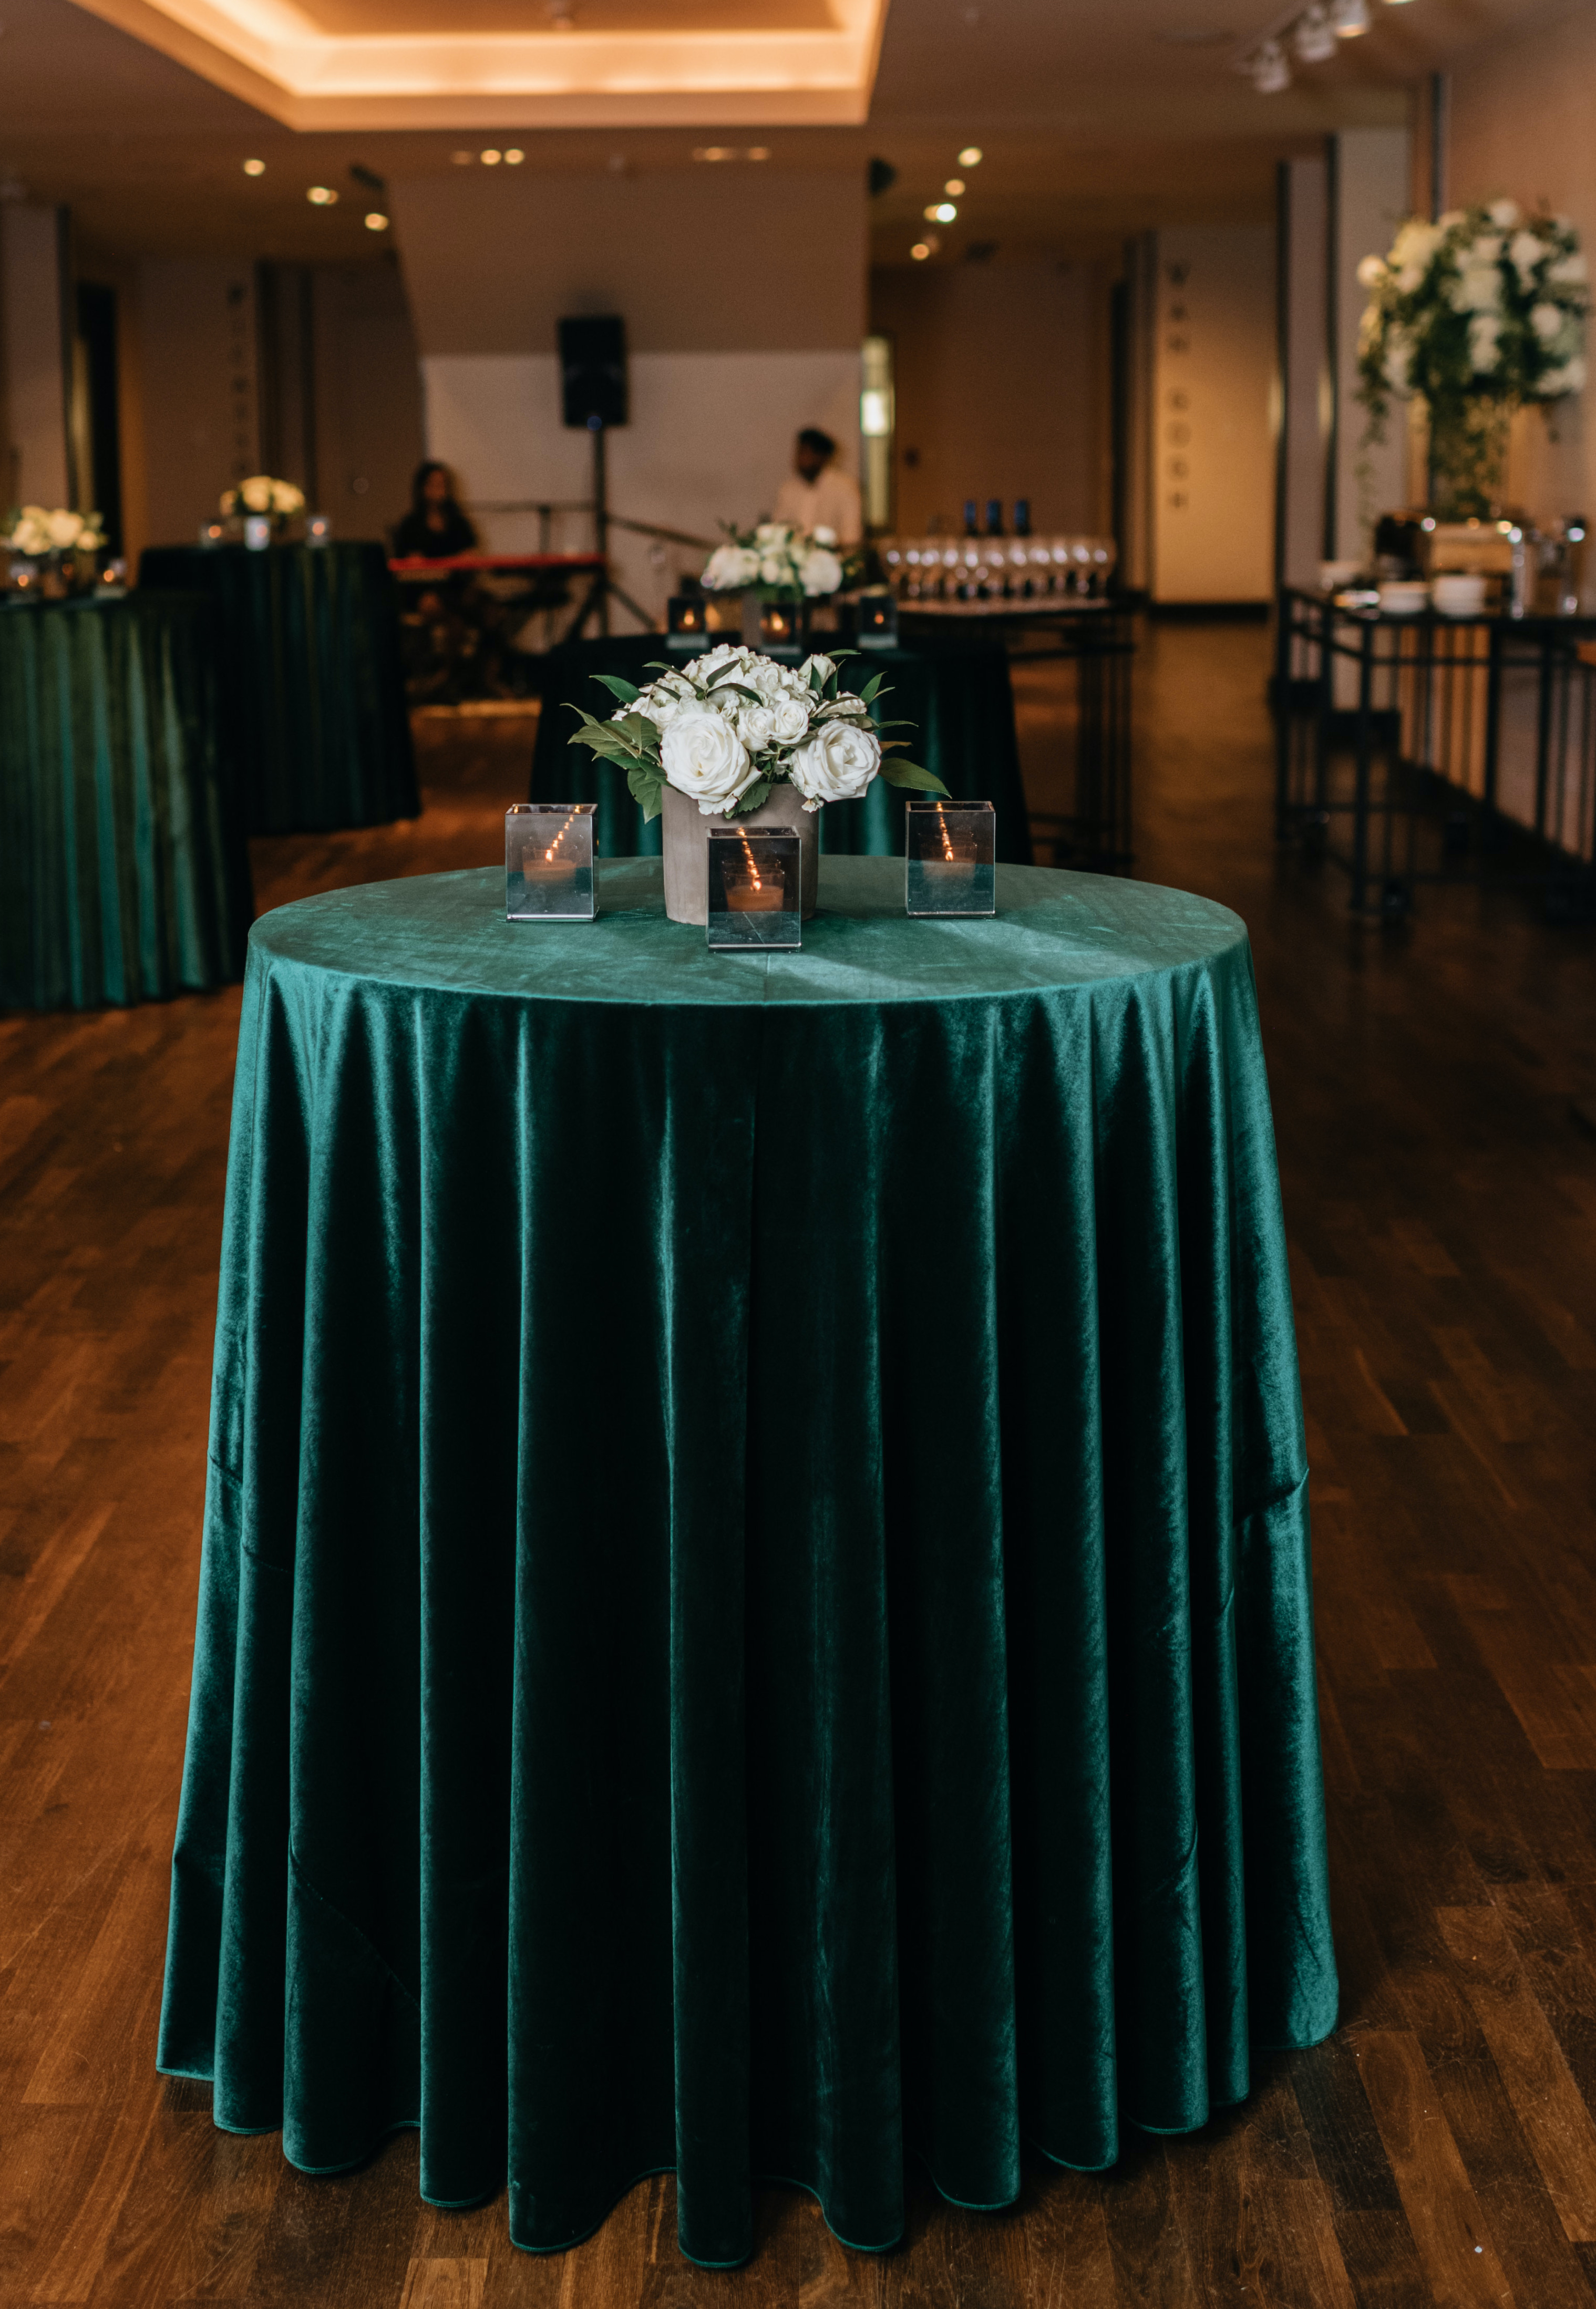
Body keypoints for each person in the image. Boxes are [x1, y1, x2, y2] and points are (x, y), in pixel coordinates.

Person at [771, 428, 863, 547]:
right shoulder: (789, 489)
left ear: (822, 457)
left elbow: (851, 535)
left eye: (805, 453)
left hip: (832, 558)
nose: (799, 459)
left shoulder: (844, 488)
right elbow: (778, 530)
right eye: (798, 453)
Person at [392, 460, 479, 560]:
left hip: (456, 575)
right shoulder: (410, 525)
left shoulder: (459, 523)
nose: (438, 490)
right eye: (433, 484)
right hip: (423, 575)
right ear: (422, 488)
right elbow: (404, 558)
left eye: (442, 485)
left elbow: (471, 553)